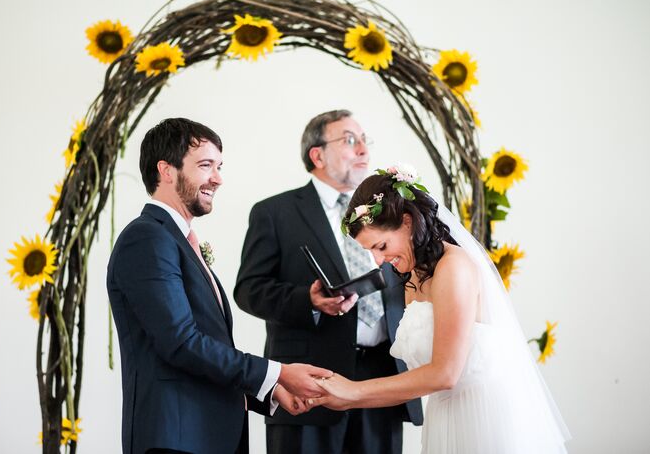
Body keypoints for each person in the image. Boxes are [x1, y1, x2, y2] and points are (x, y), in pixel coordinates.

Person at [106, 118, 331, 454]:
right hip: (176, 439)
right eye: (205, 165)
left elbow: (205, 347)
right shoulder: (147, 238)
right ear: (166, 170)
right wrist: (277, 373)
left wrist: (268, 391)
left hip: (205, 434)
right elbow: (181, 343)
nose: (218, 178)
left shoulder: (175, 239)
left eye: (219, 166)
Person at [310, 165, 571, 453]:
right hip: (445, 418)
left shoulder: (454, 267)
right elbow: (418, 380)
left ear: (407, 222)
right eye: (371, 251)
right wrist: (341, 394)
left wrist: (353, 391)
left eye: (381, 245)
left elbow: (445, 374)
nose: (379, 260)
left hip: (484, 419)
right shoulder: (412, 277)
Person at [234, 110, 423, 454]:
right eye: (351, 140)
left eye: (366, 140)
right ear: (317, 155)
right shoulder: (274, 212)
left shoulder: (387, 211)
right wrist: (307, 300)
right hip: (309, 385)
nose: (364, 149)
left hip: (382, 377)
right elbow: (248, 290)